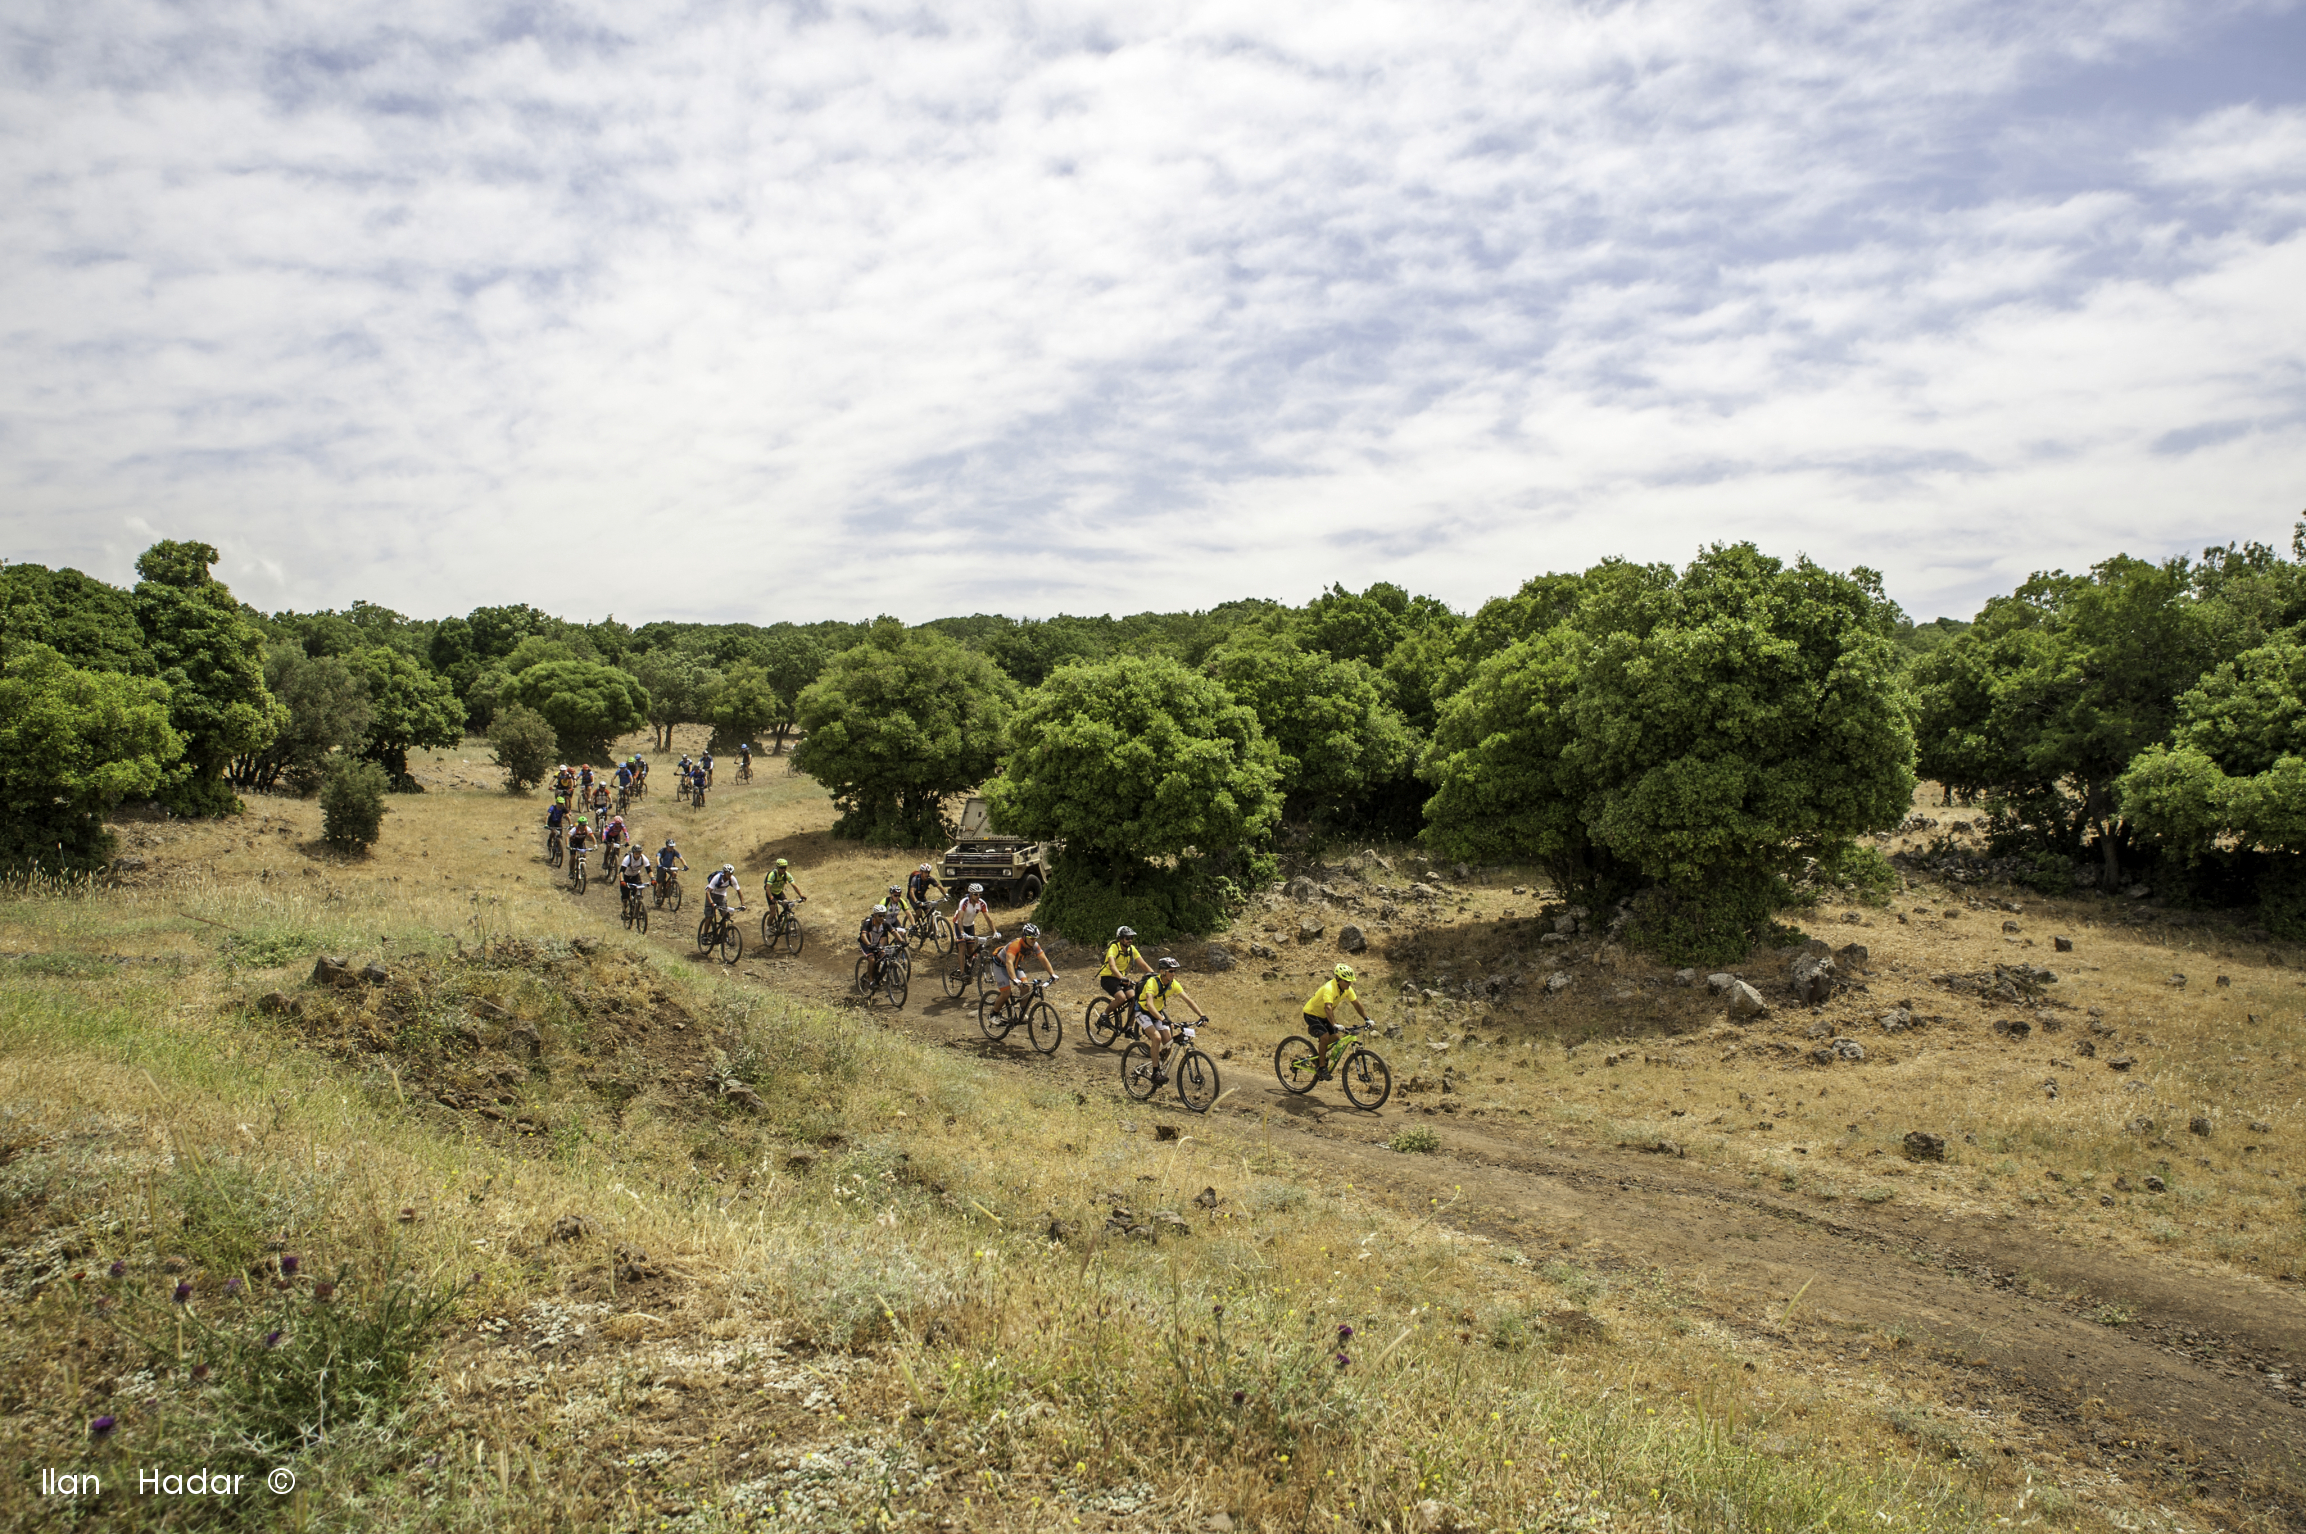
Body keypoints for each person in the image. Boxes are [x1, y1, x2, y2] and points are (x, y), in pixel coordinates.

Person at [1131, 956, 1206, 1084]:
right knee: (1157, 1038)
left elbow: (1188, 1000)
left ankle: (1158, 1064)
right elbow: (1149, 1004)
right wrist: (1162, 1019)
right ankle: (1155, 1073)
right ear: (1162, 971)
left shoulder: (1173, 984)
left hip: (1157, 1014)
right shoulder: (1152, 983)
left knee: (1168, 1043)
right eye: (1170, 971)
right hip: (1143, 1012)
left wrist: (1201, 1015)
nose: (1173, 974)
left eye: (1174, 971)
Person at [1301, 964, 1376, 1076]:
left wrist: (1367, 1018)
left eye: (1350, 981)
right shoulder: (1329, 988)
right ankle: (1321, 1068)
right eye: (1346, 981)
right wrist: (1335, 1024)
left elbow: (1357, 1004)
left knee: (1336, 1037)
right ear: (1338, 979)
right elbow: (1328, 1007)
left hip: (1324, 1016)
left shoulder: (1347, 989)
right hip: (1311, 1013)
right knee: (1325, 1036)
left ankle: (1315, 1058)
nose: (1349, 983)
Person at [995, 923, 1059, 1010]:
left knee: (1026, 987)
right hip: (1001, 965)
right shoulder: (1015, 945)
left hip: (1015, 966)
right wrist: (1014, 979)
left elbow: (1044, 959)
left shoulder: (1034, 945)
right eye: (1031, 938)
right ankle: (993, 1014)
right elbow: (1009, 962)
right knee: (1006, 993)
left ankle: (1022, 1012)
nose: (1034, 941)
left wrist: (1052, 974)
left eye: (1036, 938)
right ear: (1024, 937)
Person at [1098, 925, 1152, 1009]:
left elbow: (1143, 964)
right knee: (1121, 998)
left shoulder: (1131, 949)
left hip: (1121, 978)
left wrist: (1154, 975)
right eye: (1127, 938)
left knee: (1135, 999)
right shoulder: (1114, 947)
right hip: (1108, 978)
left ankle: (1129, 1023)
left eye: (1131, 938)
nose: (1130, 940)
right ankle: (1104, 1016)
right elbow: (1112, 966)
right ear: (1120, 939)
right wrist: (1122, 978)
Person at [857, 902, 904, 987]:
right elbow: (863, 935)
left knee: (885, 957)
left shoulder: (885, 923)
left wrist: (902, 941)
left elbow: (894, 932)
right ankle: (871, 981)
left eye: (883, 915)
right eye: (880, 915)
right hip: (866, 943)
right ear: (874, 915)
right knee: (872, 960)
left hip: (876, 943)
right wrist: (869, 944)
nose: (882, 918)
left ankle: (878, 976)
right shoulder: (869, 922)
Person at [951, 882, 993, 970]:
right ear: (970, 894)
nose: (978, 896)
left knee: (971, 948)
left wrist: (995, 931)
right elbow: (960, 919)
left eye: (980, 894)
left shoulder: (982, 904)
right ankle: (962, 972)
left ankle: (969, 965)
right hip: (959, 924)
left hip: (970, 925)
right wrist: (962, 932)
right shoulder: (964, 902)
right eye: (975, 894)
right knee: (962, 947)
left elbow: (988, 918)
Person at [704, 862, 744, 926]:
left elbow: (739, 891)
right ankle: (705, 935)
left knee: (725, 916)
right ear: (724, 873)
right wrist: (711, 903)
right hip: (712, 894)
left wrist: (743, 904)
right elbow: (708, 892)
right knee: (709, 916)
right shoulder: (717, 878)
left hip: (721, 895)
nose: (730, 875)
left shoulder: (732, 879)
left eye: (731, 873)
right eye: (728, 873)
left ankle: (724, 934)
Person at [654, 836, 687, 905]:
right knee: (661, 882)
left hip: (670, 867)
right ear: (667, 846)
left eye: (672, 846)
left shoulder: (674, 852)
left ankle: (672, 886)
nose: (672, 848)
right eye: (670, 846)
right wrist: (659, 865)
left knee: (674, 874)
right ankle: (659, 897)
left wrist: (685, 865)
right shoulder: (662, 850)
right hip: (662, 867)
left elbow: (681, 858)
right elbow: (658, 857)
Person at [618, 843, 651, 910]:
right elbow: (621, 871)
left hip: (635, 876)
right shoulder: (627, 859)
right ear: (633, 853)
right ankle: (624, 909)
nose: (638, 855)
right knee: (625, 896)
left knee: (639, 893)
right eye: (636, 854)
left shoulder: (643, 858)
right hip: (626, 877)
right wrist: (622, 880)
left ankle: (637, 908)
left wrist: (652, 879)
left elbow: (649, 870)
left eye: (639, 853)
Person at [566, 815, 594, 879]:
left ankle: (583, 868)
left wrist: (595, 845)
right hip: (573, 844)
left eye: (585, 825)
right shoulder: (574, 829)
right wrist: (567, 845)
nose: (584, 826)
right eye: (582, 825)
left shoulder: (587, 829)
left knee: (584, 855)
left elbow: (592, 837)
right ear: (579, 824)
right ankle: (571, 871)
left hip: (581, 843)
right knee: (573, 857)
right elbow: (567, 837)